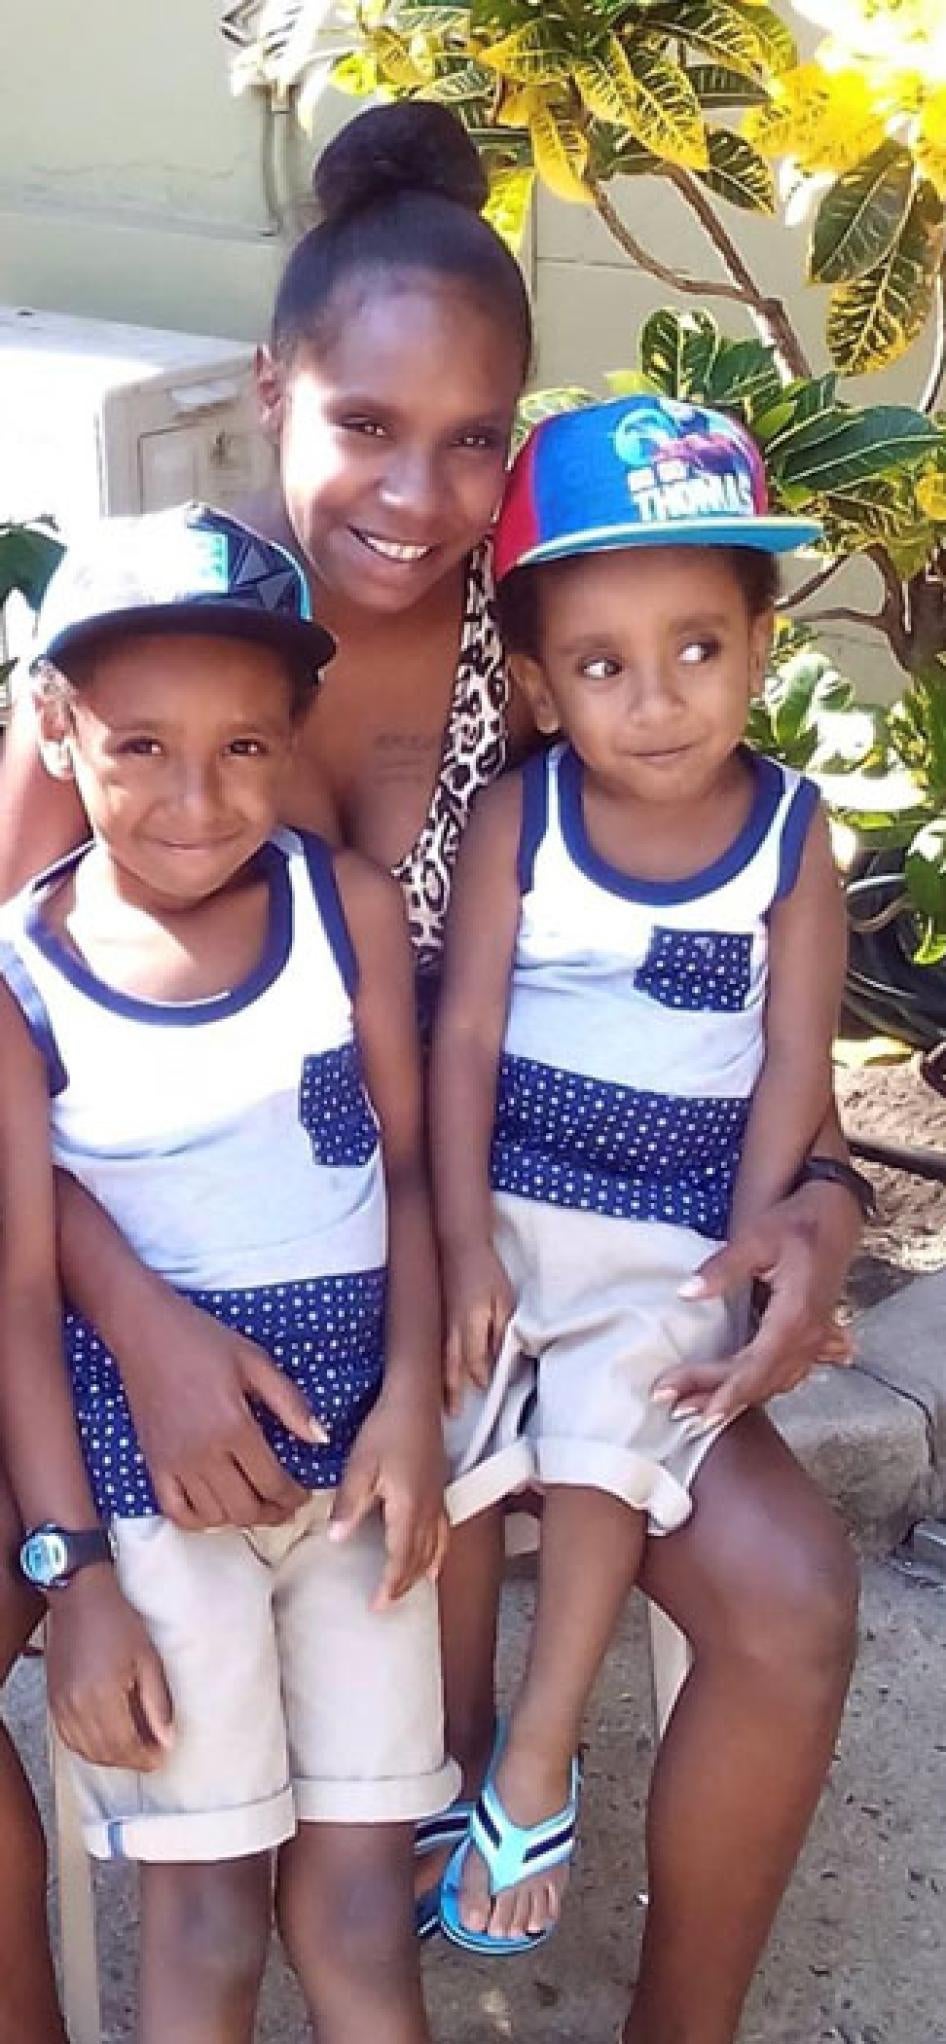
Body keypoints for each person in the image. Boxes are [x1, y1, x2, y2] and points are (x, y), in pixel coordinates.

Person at [0, 101, 862, 2044]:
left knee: (794, 1592)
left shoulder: (567, 644)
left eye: (472, 435)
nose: (420, 488)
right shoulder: (128, 687)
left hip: (507, 1302)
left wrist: (817, 1202)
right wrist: (126, 1320)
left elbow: (737, 978)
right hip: (140, 1297)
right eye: (366, 427)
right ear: (270, 389)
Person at [0, 504, 454, 2044]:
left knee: (355, 1907)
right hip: (155, 1500)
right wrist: (78, 1583)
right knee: (202, 1920)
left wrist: (411, 1405)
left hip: (360, 1489)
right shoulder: (20, 979)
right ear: (56, 732)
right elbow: (19, 1293)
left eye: (244, 749)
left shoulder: (351, 914)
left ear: (295, 735)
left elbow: (403, 1174)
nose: (196, 801)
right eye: (139, 747)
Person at [430, 394, 848, 1985]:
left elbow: (795, 1061)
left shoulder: (793, 835)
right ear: (536, 683)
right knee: (460, 1418)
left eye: (697, 648)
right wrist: (464, 1238)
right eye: (601, 665)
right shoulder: (513, 819)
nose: (657, 699)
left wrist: (742, 1263)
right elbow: (464, 1029)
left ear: (760, 641)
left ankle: (534, 1765)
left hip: (669, 1228)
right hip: (511, 1199)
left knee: (628, 1404)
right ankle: (445, 1764)